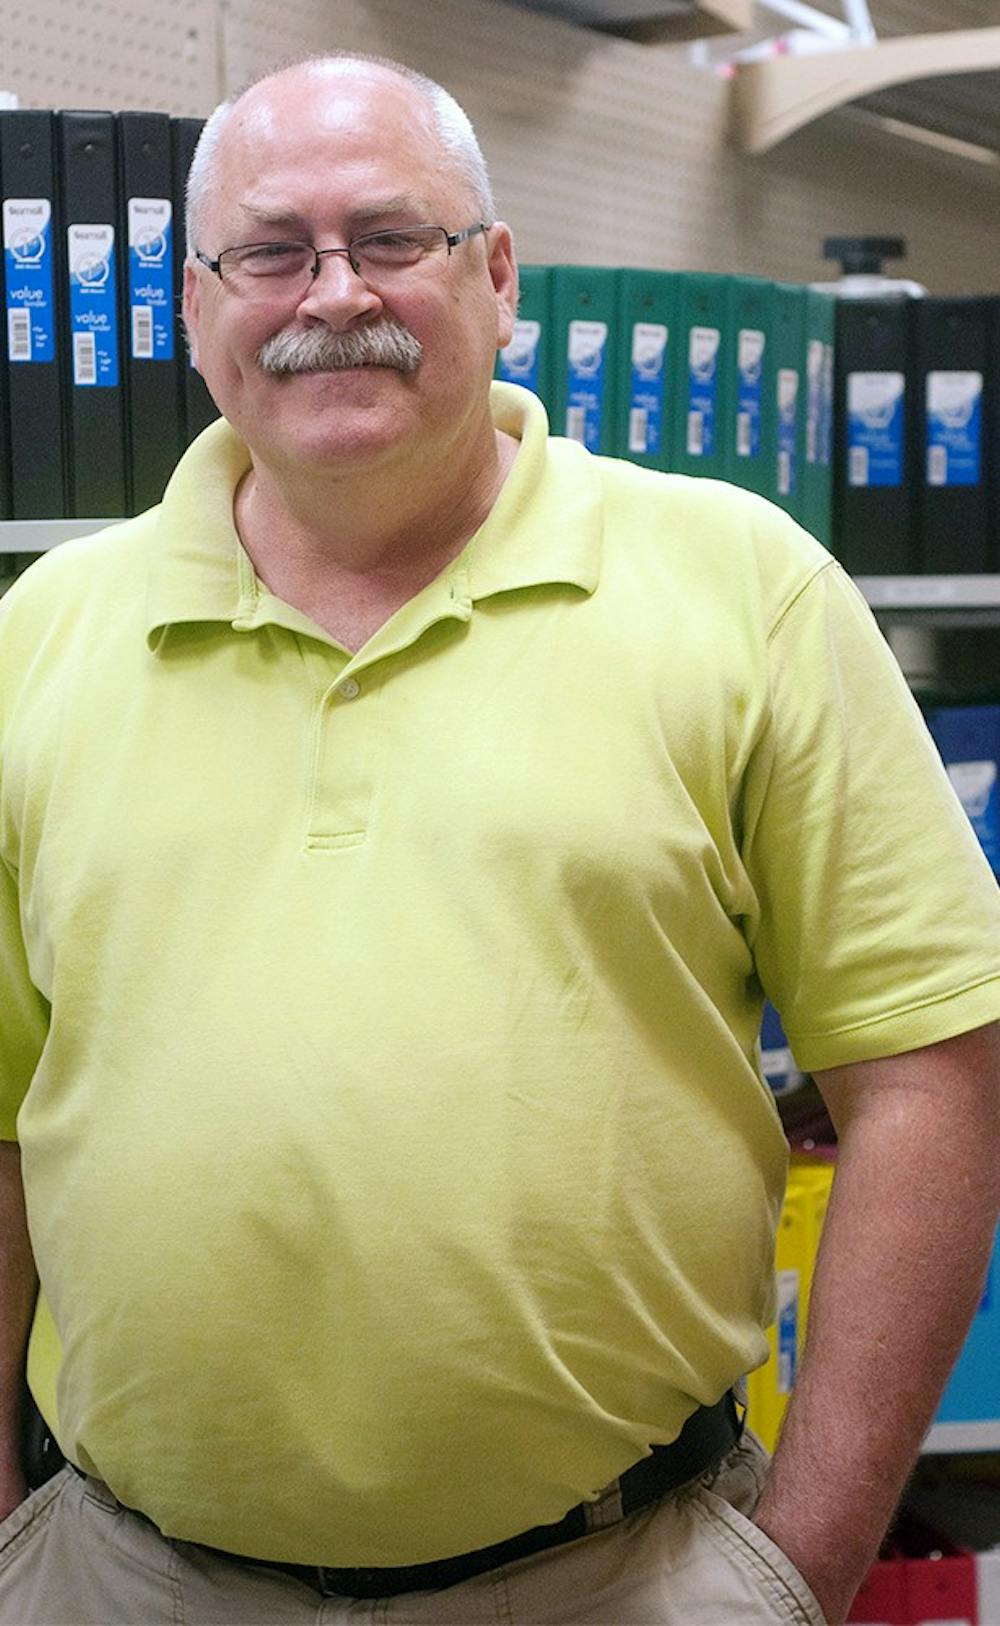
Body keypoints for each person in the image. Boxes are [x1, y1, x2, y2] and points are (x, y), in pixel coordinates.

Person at [0, 52, 998, 1626]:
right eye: (270, 250)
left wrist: (797, 1565)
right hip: (118, 1581)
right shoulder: (39, 639)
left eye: (394, 236)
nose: (334, 291)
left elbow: (933, 1070)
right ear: (192, 305)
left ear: (501, 274)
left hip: (633, 1576)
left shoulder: (745, 588)